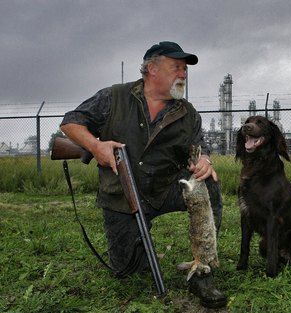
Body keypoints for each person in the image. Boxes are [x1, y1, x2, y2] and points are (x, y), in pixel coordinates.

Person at [60, 41, 227, 309]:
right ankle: (136, 247)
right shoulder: (113, 97)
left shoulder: (188, 112)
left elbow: (200, 146)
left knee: (208, 187)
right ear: (152, 69)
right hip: (123, 196)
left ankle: (203, 271)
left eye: (185, 69)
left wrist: (205, 160)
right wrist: (96, 146)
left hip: (166, 189)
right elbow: (70, 121)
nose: (183, 74)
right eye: (176, 67)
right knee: (127, 270)